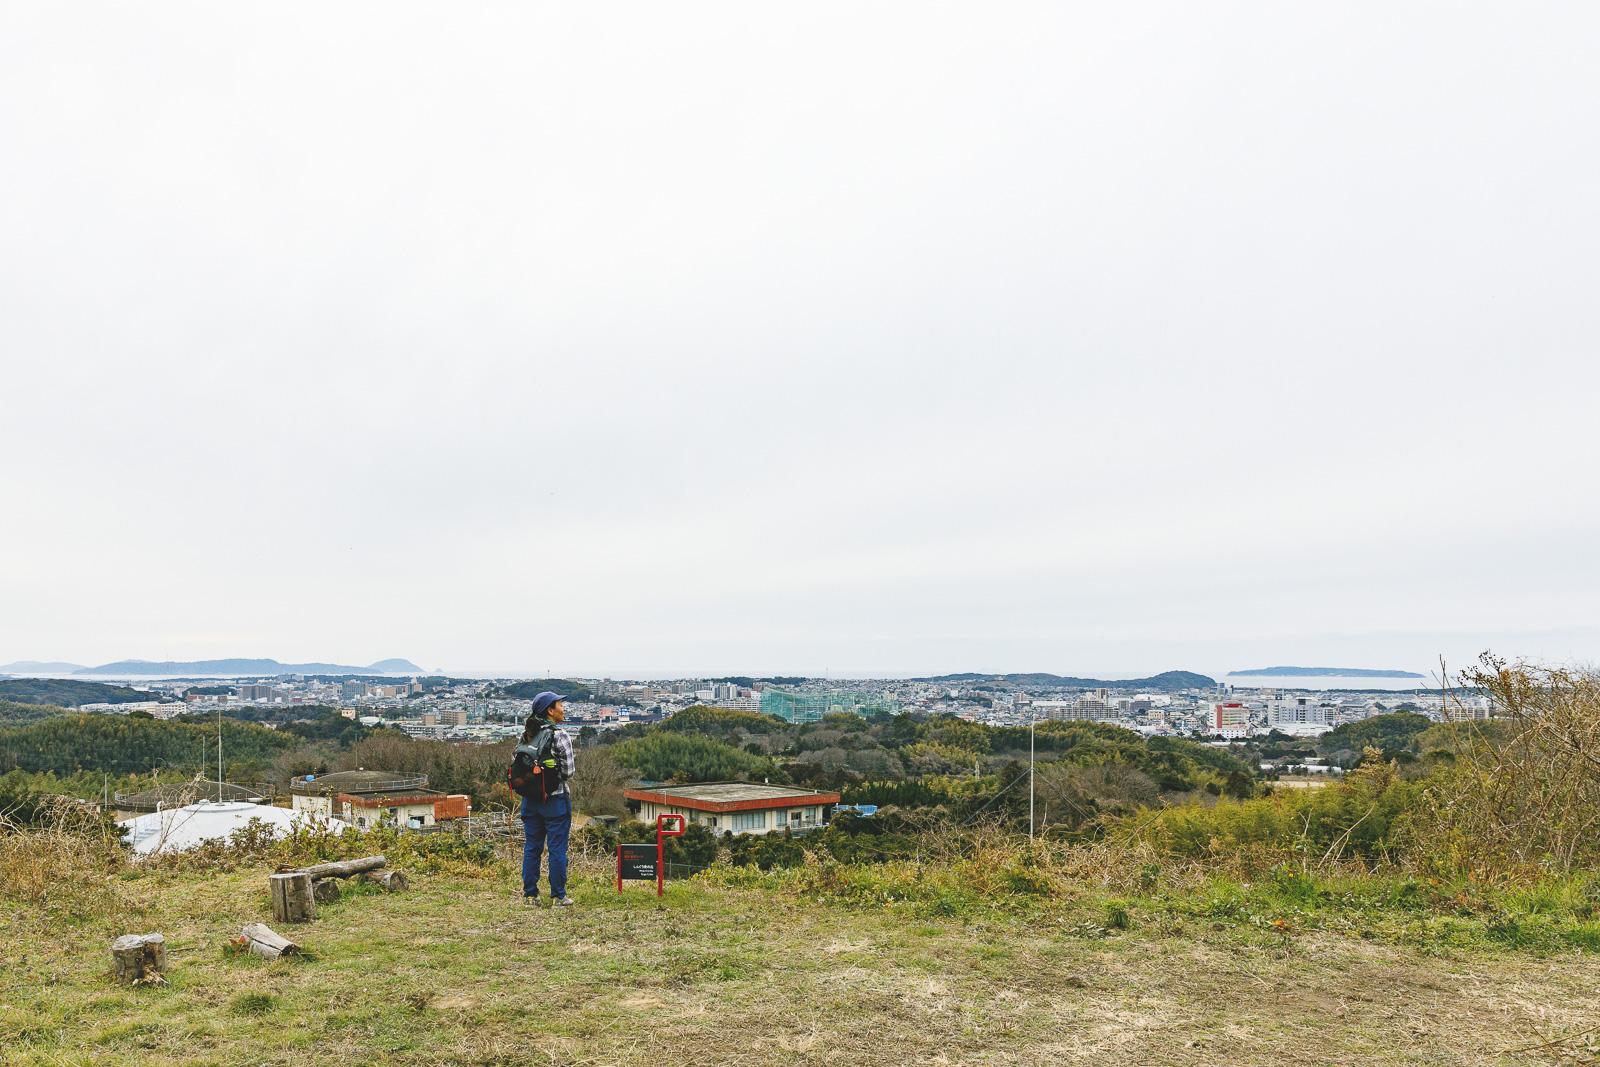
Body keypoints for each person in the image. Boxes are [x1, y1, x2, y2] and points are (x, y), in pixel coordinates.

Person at [519, 691, 576, 906]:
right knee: (557, 849)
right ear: (550, 711)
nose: (563, 708)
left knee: (532, 847)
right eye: (560, 704)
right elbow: (569, 772)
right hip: (555, 800)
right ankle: (558, 895)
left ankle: (530, 894)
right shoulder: (559, 735)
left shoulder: (527, 734)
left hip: (531, 801)